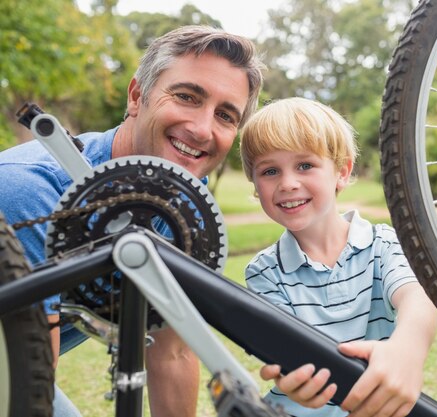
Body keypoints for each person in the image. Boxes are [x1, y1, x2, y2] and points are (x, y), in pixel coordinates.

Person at [0, 25, 264, 417]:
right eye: (187, 96)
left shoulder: (182, 205)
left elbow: (171, 351)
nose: (202, 129)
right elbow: (27, 383)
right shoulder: (30, 190)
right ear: (137, 95)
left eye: (225, 115)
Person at [239, 97, 437, 417]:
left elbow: (417, 296)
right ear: (255, 186)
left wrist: (408, 349)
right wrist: (291, 376)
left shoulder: (383, 244)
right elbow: (285, 353)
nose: (288, 183)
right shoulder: (263, 272)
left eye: (305, 165)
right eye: (270, 171)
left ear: (342, 172)